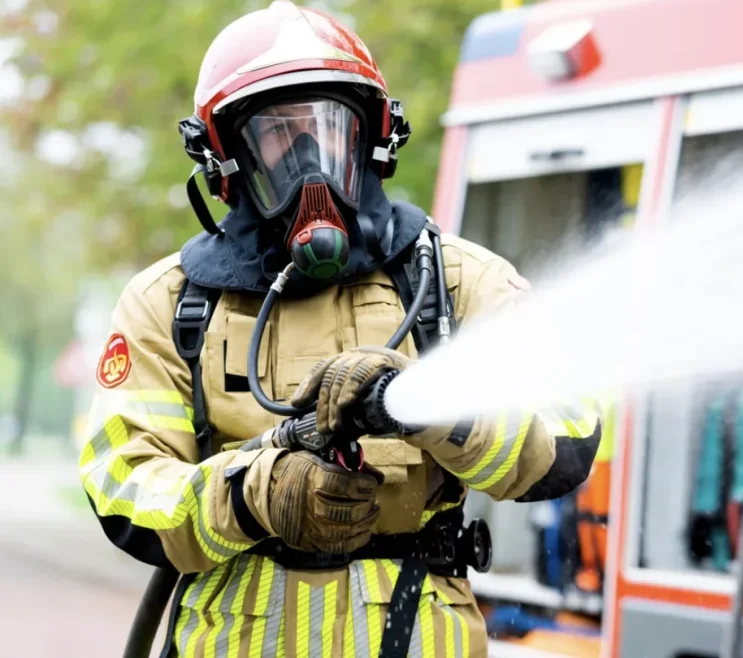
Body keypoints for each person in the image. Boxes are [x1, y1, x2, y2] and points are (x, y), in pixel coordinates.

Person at [77, 2, 603, 656]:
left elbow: (570, 436)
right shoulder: (172, 303)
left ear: (374, 138)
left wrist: (430, 408)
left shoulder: (454, 282)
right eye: (277, 133)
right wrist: (258, 495)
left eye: (330, 128)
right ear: (222, 156)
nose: (310, 161)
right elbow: (123, 489)